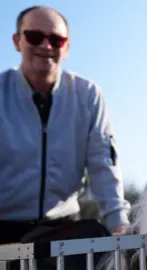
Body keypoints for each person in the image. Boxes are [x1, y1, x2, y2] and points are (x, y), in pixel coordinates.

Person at [0, 4, 131, 247]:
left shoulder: (88, 95)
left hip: (61, 227)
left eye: (56, 40)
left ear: (67, 48)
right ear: (17, 41)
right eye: (35, 36)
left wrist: (118, 222)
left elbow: (103, 163)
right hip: (3, 226)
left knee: (96, 238)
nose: (46, 46)